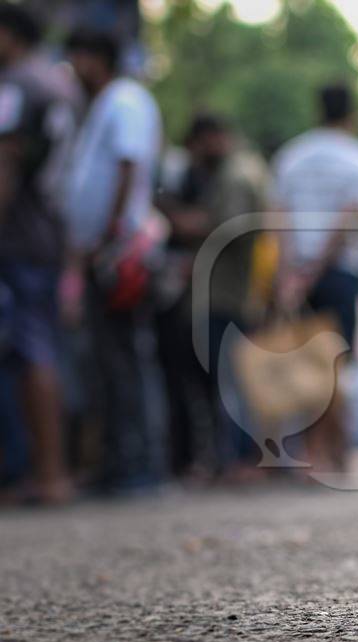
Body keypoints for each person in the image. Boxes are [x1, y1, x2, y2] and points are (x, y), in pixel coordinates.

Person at [61, 29, 166, 494]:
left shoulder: (124, 99)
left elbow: (128, 164)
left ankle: (139, 465)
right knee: (106, 361)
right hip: (105, 251)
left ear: (94, 58)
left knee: (125, 359)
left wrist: (108, 235)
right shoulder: (104, 104)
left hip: (120, 251)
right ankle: (118, 462)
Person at [271, 81, 358, 472]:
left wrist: (290, 277)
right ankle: (328, 452)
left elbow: (280, 220)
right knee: (335, 364)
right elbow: (348, 221)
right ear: (352, 114)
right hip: (340, 271)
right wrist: (316, 269)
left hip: (297, 271)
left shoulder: (291, 156)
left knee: (305, 361)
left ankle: (321, 452)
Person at [157, 113, 270, 480]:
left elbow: (229, 228)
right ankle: (236, 459)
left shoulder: (236, 173)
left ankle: (239, 461)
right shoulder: (246, 168)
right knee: (231, 379)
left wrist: (184, 224)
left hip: (222, 294)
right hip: (232, 293)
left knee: (228, 381)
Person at [0, 4, 77, 503]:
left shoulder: (17, 86)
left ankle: (48, 474)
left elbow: (4, 162)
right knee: (37, 348)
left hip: (19, 235)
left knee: (30, 351)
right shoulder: (58, 85)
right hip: (49, 232)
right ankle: (46, 471)